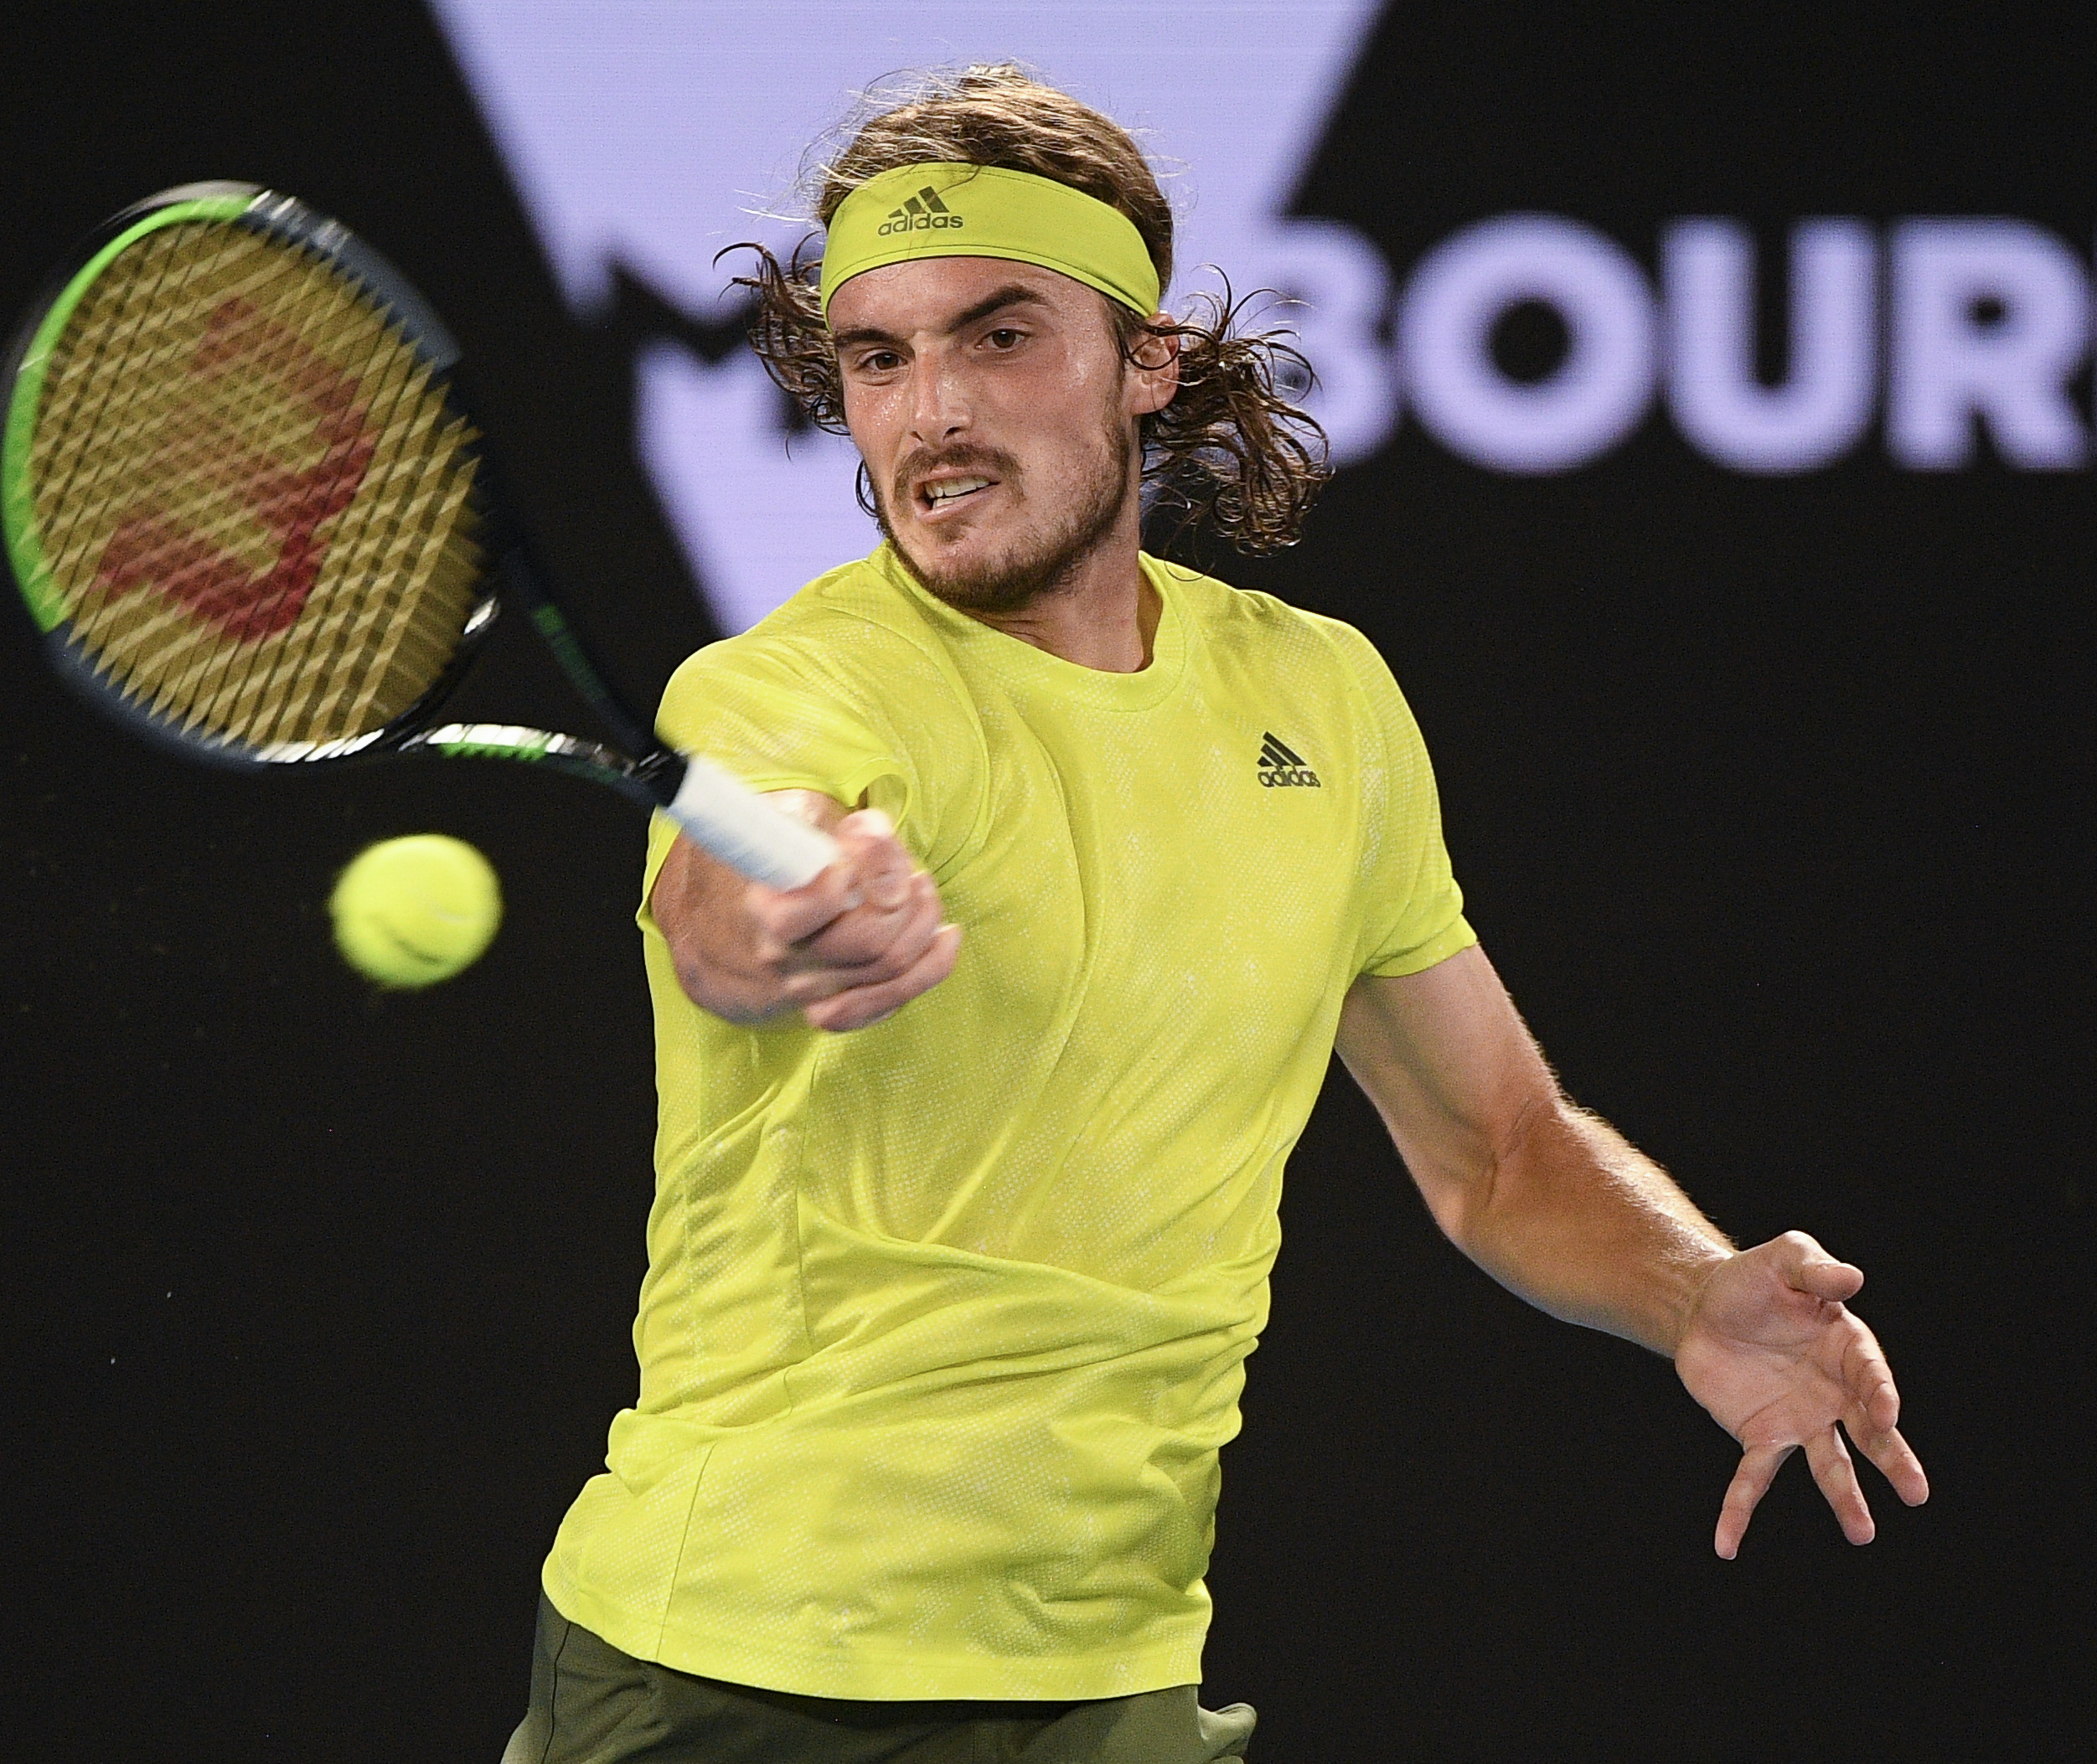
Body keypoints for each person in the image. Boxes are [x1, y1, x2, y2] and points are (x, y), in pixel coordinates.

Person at [505, 64, 1928, 1764]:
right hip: (734, 1678)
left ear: (1147, 363)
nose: (930, 414)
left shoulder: (1320, 699)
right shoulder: (796, 685)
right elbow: (719, 903)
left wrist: (1688, 1291)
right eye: (877, 359)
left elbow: (1497, 1149)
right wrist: (791, 914)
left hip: (1111, 1674)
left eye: (1000, 335)